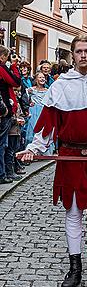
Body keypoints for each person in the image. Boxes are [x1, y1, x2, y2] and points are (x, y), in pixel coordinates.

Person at [17, 34, 87, 287]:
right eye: (78, 51)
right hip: (71, 155)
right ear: (73, 54)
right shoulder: (60, 85)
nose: (83, 56)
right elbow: (47, 126)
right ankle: (74, 267)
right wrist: (33, 149)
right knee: (74, 211)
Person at [0, 45, 21, 185]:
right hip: (4, 110)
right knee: (2, 144)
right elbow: (16, 82)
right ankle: (2, 174)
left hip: (5, 109)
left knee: (5, 144)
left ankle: (5, 172)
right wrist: (13, 66)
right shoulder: (1, 68)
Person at [24, 72, 52, 149]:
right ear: (36, 80)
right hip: (34, 112)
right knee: (32, 130)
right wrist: (29, 103)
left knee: (43, 130)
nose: (42, 79)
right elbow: (24, 99)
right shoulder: (31, 90)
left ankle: (43, 150)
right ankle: (31, 150)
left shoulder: (48, 90)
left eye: (43, 77)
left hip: (44, 111)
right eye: (40, 77)